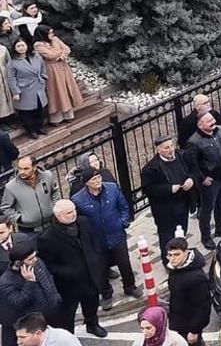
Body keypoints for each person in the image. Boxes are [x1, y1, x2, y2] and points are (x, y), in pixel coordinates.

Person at [69, 168, 142, 307]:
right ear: (86, 183)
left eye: (98, 177)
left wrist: (123, 222)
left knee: (124, 263)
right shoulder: (77, 199)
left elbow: (123, 207)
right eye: (93, 179)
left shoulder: (112, 188)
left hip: (116, 235)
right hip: (96, 240)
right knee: (100, 268)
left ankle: (130, 287)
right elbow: (78, 221)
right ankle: (106, 294)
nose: (97, 181)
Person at [37, 200, 107, 338]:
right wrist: (66, 272)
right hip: (67, 285)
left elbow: (93, 242)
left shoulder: (83, 223)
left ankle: (92, 325)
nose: (73, 214)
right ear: (58, 216)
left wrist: (97, 259)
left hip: (89, 276)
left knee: (92, 303)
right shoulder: (48, 237)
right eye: (69, 212)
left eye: (74, 210)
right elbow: (47, 265)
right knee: (67, 314)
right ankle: (67, 335)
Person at [184, 112, 221, 250]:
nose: (213, 122)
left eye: (212, 119)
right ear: (200, 125)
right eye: (208, 121)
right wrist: (202, 178)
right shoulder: (193, 142)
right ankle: (206, 237)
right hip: (210, 182)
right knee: (207, 210)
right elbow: (192, 164)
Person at [0, 240, 61, 346]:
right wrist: (30, 282)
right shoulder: (6, 281)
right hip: (27, 326)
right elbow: (19, 303)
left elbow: (49, 279)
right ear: (19, 263)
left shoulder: (38, 263)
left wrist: (55, 297)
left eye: (35, 256)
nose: (35, 260)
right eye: (31, 259)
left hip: (47, 317)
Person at [142, 136, 195, 247]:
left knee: (182, 232)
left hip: (183, 203)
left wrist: (191, 179)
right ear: (158, 150)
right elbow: (149, 189)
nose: (171, 149)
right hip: (165, 210)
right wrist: (169, 189)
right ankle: (168, 259)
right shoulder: (151, 168)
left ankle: (180, 255)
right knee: (167, 237)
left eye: (171, 146)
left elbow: (194, 169)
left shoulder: (182, 155)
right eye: (166, 148)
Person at [165, 237, 212, 346]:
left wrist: (195, 330)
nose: (172, 259)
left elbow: (203, 306)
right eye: (170, 255)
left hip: (189, 326)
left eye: (177, 255)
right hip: (178, 322)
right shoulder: (176, 268)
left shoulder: (197, 278)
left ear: (186, 253)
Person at [1, 157, 56, 234]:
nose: (21, 172)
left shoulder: (47, 176)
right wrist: (19, 218)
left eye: (26, 169)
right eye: (20, 168)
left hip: (51, 224)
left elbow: (54, 192)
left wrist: (55, 207)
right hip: (29, 231)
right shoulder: (11, 187)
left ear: (35, 167)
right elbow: (5, 207)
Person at [6, 40, 47, 138]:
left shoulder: (36, 56)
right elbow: (11, 78)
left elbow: (43, 67)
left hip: (38, 85)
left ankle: (39, 127)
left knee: (40, 108)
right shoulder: (13, 62)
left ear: (27, 45)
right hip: (24, 88)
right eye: (18, 46)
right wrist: (15, 91)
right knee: (27, 111)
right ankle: (31, 130)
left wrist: (43, 77)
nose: (21, 48)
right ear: (15, 48)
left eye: (23, 45)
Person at [14, 312, 80, 346]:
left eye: (22, 337)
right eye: (18, 337)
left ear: (38, 333)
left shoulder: (63, 341)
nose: (18, 342)